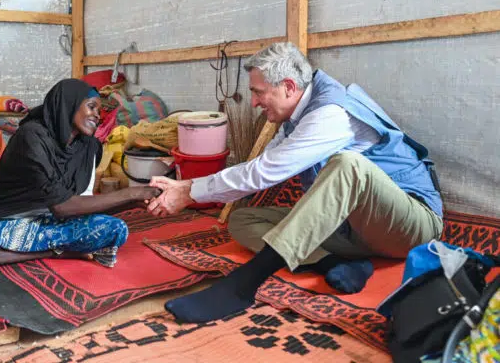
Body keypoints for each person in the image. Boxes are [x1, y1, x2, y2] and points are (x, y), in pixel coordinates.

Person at [147, 42, 443, 323]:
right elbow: (258, 167)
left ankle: (242, 286)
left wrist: (190, 192)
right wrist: (187, 187)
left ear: (288, 87)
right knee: (243, 219)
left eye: (258, 92)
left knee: (349, 166)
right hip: (353, 228)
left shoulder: (331, 113)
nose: (253, 102)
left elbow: (264, 172)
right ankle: (335, 263)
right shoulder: (296, 116)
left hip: (408, 227)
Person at [0, 79, 159, 282]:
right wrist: (132, 193)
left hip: (49, 226)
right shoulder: (32, 136)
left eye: (99, 110)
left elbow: (79, 205)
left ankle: (27, 248)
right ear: (69, 105)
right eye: (91, 107)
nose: (97, 115)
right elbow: (62, 206)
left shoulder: (90, 147)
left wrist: (132, 203)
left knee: (116, 229)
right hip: (3, 221)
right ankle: (48, 253)